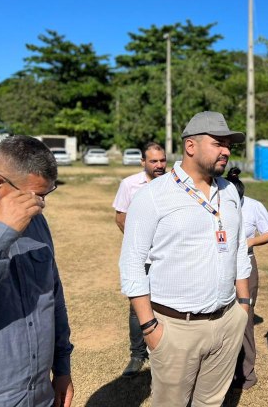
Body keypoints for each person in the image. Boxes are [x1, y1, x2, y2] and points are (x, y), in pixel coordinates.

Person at [119, 111, 251, 407]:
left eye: (228, 145)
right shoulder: (153, 195)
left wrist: (243, 307)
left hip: (227, 320)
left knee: (211, 402)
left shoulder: (229, 192)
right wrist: (150, 328)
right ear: (190, 146)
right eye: (218, 143)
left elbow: (239, 248)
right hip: (175, 328)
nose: (226, 151)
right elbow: (132, 264)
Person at [0, 135, 74, 406]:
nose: (41, 205)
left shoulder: (36, 221)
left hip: (40, 396)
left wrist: (62, 367)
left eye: (46, 195)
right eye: (35, 196)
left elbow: (52, 296)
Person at [112, 141, 167, 377]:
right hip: (142, 257)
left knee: (167, 303)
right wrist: (140, 243)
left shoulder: (174, 183)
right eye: (153, 161)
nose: (159, 165)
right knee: (138, 307)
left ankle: (164, 352)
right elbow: (120, 217)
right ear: (143, 162)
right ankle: (137, 354)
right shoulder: (130, 185)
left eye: (162, 160)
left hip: (168, 256)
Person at [225, 167, 268, 390]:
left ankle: (245, 373)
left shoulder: (254, 206)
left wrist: (250, 242)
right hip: (218, 266)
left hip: (246, 265)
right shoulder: (216, 204)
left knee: (244, 319)